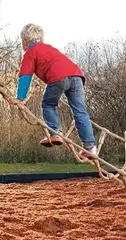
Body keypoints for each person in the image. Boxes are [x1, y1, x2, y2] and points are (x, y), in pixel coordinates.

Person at [8, 23, 98, 157]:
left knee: (48, 104)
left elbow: (25, 76)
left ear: (24, 41)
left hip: (58, 78)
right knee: (80, 112)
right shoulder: (48, 48)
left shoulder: (30, 53)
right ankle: (90, 147)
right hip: (76, 76)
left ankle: (56, 132)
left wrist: (20, 98)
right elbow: (55, 64)